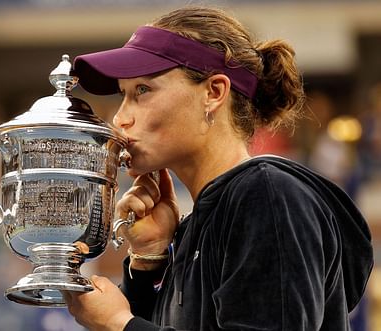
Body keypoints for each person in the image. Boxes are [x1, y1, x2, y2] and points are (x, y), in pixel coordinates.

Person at [64, 6, 373, 331]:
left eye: (142, 90)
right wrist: (148, 263)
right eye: (123, 95)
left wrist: (119, 324)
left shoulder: (265, 194)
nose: (120, 119)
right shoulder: (205, 219)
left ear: (213, 93)